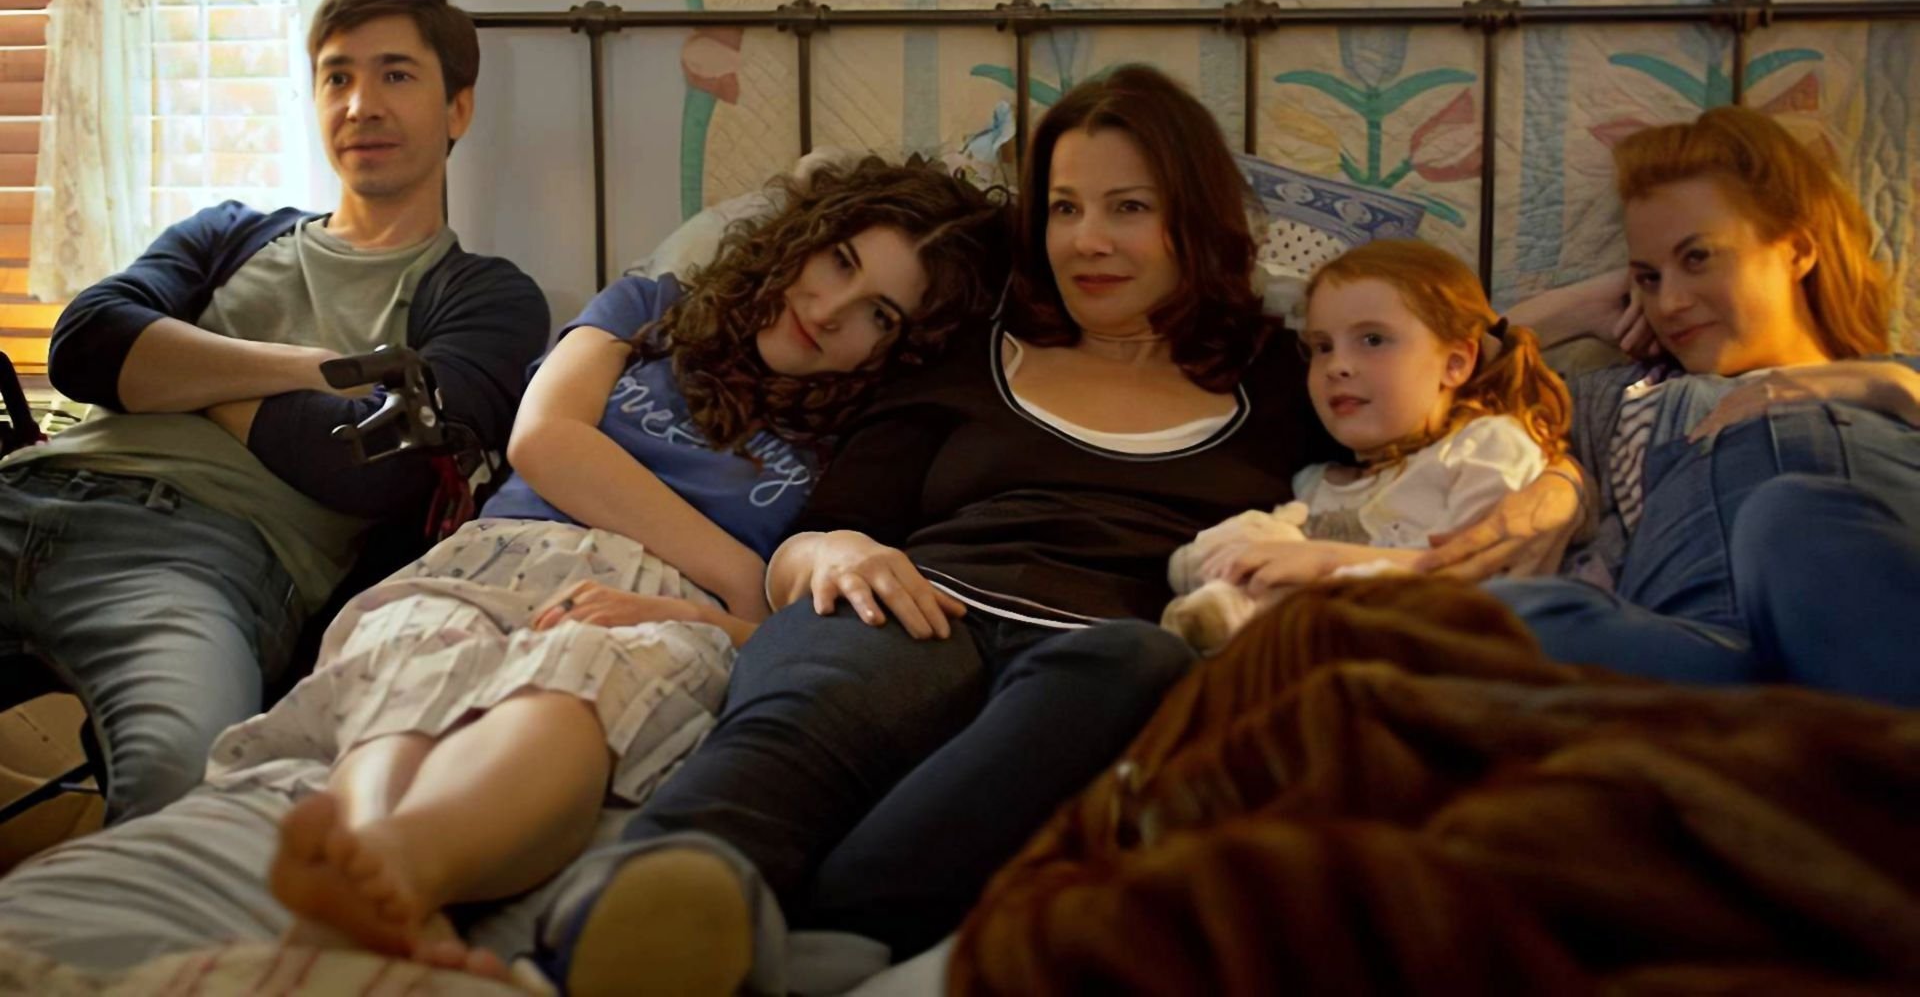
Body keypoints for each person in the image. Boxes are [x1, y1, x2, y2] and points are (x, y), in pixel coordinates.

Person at [529, 64, 1592, 997]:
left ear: (1194, 219)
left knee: (1141, 666)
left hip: (1098, 648)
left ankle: (826, 930)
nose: (1089, 240)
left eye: (1129, 207)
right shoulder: (965, 348)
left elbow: (1441, 378)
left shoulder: (1285, 372)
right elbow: (821, 532)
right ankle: (640, 896)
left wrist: (1559, 486)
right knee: (806, 711)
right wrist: (836, 552)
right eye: (1065, 208)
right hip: (914, 603)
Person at [0, 156, 1010, 977]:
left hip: (659, 607)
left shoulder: (857, 440)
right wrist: (738, 571)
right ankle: (365, 857)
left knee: (578, 686)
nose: (831, 309)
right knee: (410, 648)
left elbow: (791, 609)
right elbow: (545, 441)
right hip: (497, 550)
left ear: (902, 348)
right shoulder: (651, 306)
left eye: (880, 313)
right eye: (838, 260)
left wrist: (721, 614)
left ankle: (403, 867)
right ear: (801, 238)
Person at [0, 0, 550, 821]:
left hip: (199, 558)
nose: (361, 104)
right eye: (337, 76)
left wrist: (172, 380)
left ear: (458, 108)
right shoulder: (227, 233)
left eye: (396, 74)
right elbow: (85, 345)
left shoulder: (486, 296)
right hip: (27, 490)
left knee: (184, 784)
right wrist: (310, 370)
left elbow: (378, 467)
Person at [1491, 105, 1920, 704]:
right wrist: (1572, 311)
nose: (1669, 303)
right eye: (1648, 277)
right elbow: (1419, 389)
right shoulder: (1624, 396)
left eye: (1697, 258)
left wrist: (1881, 386)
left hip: (1874, 620)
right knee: (1508, 613)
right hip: (1702, 655)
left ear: (1797, 250)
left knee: (1789, 517)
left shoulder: (1902, 375)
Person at [1162, 238, 1572, 651]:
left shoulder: (1486, 448)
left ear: (1455, 363)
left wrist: (1326, 561)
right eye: (1322, 347)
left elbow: (1479, 578)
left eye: (1373, 340)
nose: (1337, 366)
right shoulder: (1316, 485)